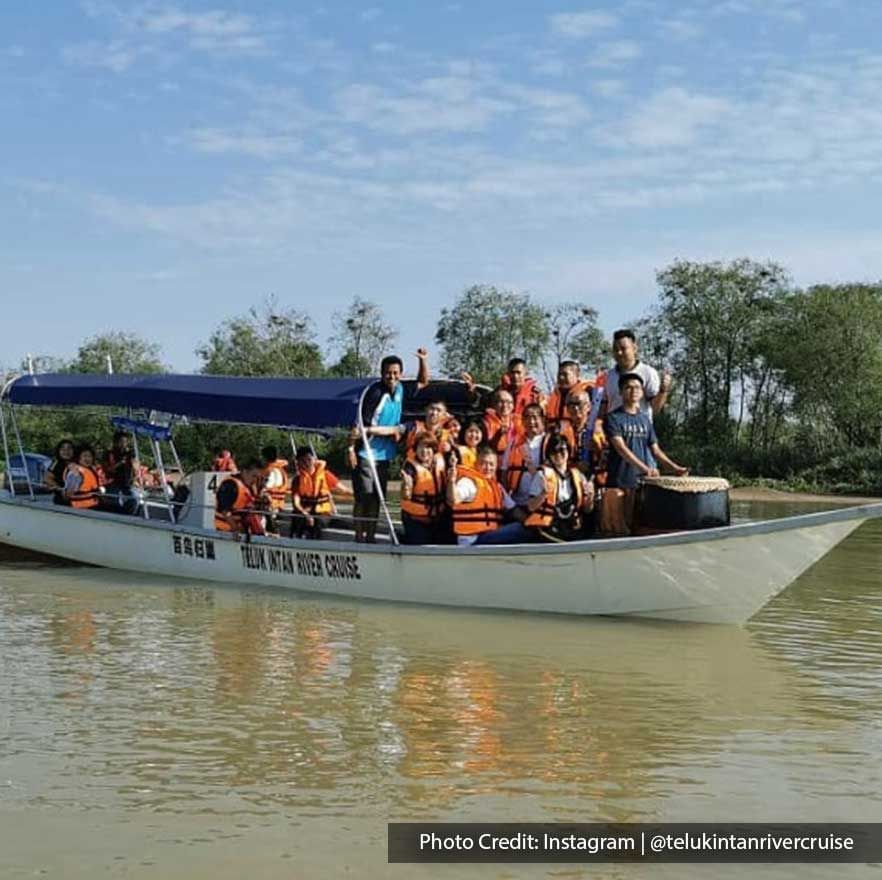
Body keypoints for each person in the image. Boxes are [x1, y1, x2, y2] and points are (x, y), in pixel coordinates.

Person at [350, 349, 430, 543]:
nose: (392, 377)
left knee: (377, 497)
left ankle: (370, 536)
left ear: (400, 374)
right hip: (366, 453)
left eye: (395, 373)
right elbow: (359, 425)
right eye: (388, 373)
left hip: (385, 455)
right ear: (382, 373)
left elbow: (423, 381)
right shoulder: (376, 393)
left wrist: (422, 361)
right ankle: (359, 537)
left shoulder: (401, 389)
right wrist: (351, 448)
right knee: (364, 497)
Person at [602, 373, 688, 536]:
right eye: (628, 387)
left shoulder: (644, 419)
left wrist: (676, 468)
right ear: (620, 392)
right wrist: (645, 468)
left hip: (642, 484)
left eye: (637, 387)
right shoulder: (613, 418)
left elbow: (655, 450)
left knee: (641, 527)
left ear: (642, 392)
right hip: (620, 481)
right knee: (620, 530)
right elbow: (621, 449)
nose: (633, 390)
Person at [447, 446, 532, 545]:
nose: (488, 468)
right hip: (473, 540)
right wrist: (451, 482)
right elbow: (453, 499)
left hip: (489, 534)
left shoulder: (497, 487)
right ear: (476, 464)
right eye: (483, 463)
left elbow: (513, 510)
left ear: (496, 466)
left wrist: (531, 522)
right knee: (519, 530)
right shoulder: (469, 482)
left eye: (491, 464)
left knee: (527, 526)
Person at [523, 435, 594, 540]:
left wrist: (590, 496)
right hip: (547, 529)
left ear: (568, 451)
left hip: (572, 527)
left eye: (562, 450)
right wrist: (543, 494)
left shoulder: (578, 476)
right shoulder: (542, 475)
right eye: (554, 451)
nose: (558, 454)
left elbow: (588, 509)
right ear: (549, 455)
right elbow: (531, 507)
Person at [602, 328, 671, 420]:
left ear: (634, 348)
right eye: (616, 349)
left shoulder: (648, 373)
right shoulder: (607, 376)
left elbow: (655, 408)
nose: (619, 353)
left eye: (623, 348)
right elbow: (602, 409)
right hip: (613, 431)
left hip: (640, 431)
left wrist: (663, 390)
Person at [290, 447, 352, 539]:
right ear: (299, 463)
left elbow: (344, 490)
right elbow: (296, 503)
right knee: (298, 521)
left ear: (314, 460)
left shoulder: (325, 475)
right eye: (303, 461)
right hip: (304, 511)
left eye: (309, 459)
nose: (307, 463)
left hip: (323, 512)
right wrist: (306, 514)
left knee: (318, 522)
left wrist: (358, 495)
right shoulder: (297, 480)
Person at [400, 435, 447, 544]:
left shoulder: (440, 461)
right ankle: (404, 539)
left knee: (445, 540)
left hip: (437, 517)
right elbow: (406, 495)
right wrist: (406, 486)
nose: (425, 451)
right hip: (415, 519)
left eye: (428, 448)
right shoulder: (410, 467)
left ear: (433, 450)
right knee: (422, 543)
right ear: (416, 449)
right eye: (421, 447)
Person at [501, 403, 547, 509]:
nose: (531, 422)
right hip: (517, 501)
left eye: (535, 418)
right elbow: (504, 471)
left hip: (540, 502)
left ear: (542, 420)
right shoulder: (514, 443)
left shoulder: (549, 442)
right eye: (527, 418)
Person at [557, 390, 602, 479]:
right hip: (569, 477)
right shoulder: (560, 430)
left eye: (579, 404)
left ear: (589, 407)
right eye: (571, 405)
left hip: (595, 478)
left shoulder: (600, 428)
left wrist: (597, 449)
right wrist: (575, 466)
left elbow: (608, 457)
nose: (575, 408)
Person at [214, 459, 265, 535]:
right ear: (244, 471)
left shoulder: (249, 486)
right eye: (253, 476)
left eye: (257, 477)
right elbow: (224, 510)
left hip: (240, 530)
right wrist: (236, 529)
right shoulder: (230, 485)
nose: (255, 480)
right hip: (224, 531)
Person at [544, 360, 595, 427]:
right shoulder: (554, 395)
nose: (561, 378)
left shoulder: (589, 391)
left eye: (565, 374)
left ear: (577, 375)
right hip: (560, 432)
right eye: (559, 374)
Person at [483, 389, 522, 457]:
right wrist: (498, 435)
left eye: (509, 402)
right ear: (494, 404)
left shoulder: (519, 421)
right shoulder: (486, 422)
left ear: (513, 406)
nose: (505, 405)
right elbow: (484, 447)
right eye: (501, 401)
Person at [260, 445, 290, 535]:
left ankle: (271, 532)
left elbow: (265, 488)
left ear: (265, 457)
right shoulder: (277, 469)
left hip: (271, 505)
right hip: (274, 504)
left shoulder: (271, 472)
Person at [46, 439, 75, 503]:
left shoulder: (79, 463)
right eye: (63, 449)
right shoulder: (56, 463)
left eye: (69, 449)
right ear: (59, 451)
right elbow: (47, 478)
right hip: (60, 498)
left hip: (78, 498)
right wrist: (60, 488)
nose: (66, 452)